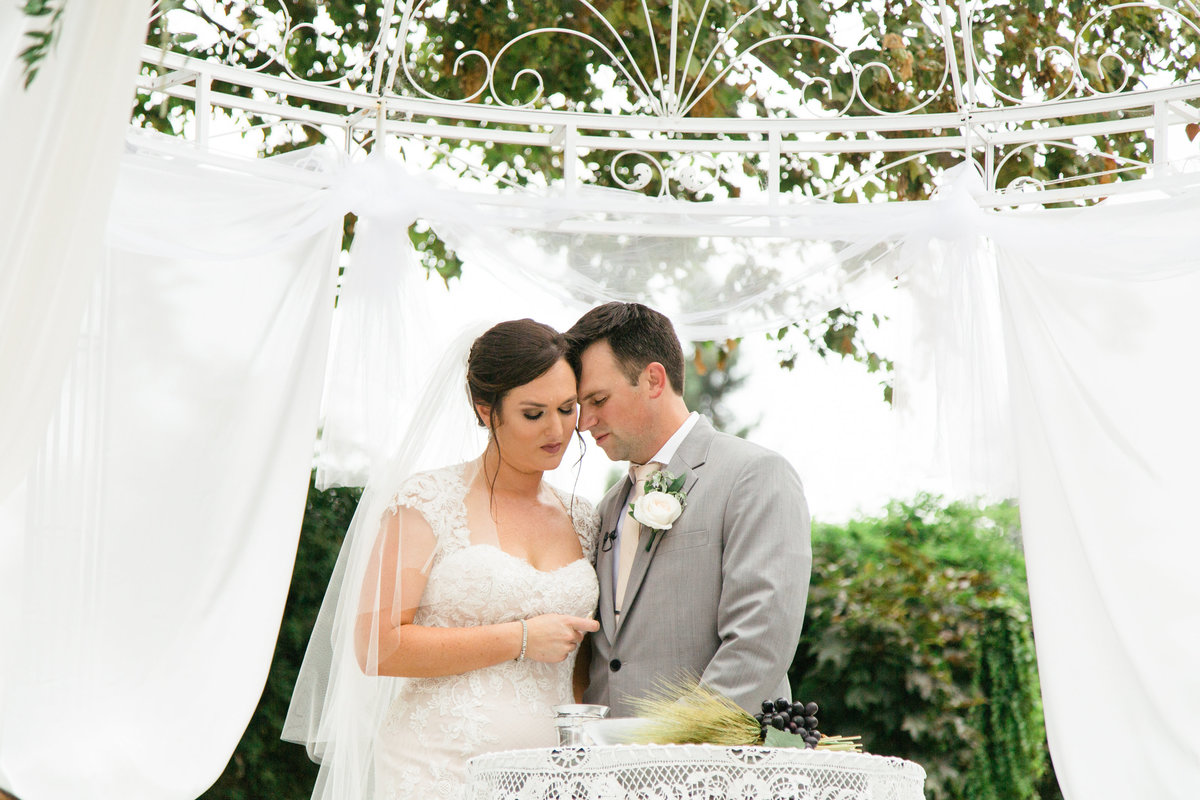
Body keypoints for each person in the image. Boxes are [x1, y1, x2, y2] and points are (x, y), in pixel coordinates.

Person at [285, 319, 600, 800]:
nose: (557, 429)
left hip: (551, 771)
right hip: (437, 767)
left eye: (566, 408)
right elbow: (376, 646)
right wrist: (519, 638)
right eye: (533, 414)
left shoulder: (586, 518)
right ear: (485, 410)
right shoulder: (427, 502)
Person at [566, 302, 811, 717]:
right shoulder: (607, 508)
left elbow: (759, 644)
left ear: (654, 380)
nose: (584, 422)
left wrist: (672, 741)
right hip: (608, 767)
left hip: (714, 764)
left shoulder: (754, 475)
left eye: (598, 399)